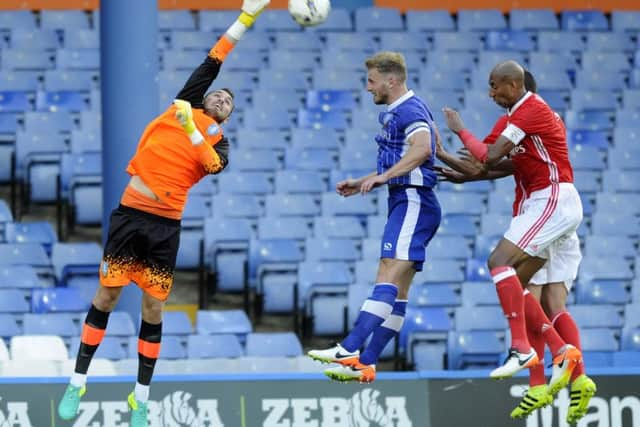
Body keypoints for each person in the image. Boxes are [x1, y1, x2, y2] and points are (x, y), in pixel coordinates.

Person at [56, 1, 270, 425]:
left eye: (229, 101)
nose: (223, 97)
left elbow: (210, 165)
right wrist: (247, 16)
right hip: (131, 214)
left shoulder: (218, 144)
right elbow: (217, 54)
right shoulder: (186, 104)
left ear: (227, 116)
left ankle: (140, 396)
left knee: (153, 310)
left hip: (164, 227)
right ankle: (78, 381)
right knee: (107, 296)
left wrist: (194, 132)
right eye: (220, 93)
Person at [437, 70, 596, 423]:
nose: (491, 94)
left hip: (549, 204)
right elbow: (487, 164)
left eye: (496, 88)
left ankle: (537, 357)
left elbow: (489, 157)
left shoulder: (531, 113)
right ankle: (571, 375)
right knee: (544, 298)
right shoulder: (521, 124)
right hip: (553, 211)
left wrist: (459, 131)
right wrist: (450, 160)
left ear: (516, 88)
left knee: (508, 271)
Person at [307, 51, 441, 383]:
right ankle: (367, 361)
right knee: (399, 289)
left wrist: (384, 178)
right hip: (409, 199)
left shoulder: (409, 109)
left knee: (387, 271)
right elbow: (420, 148)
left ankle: (351, 347)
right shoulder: (405, 109)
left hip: (413, 200)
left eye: (371, 81)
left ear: (390, 80)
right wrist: (366, 178)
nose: (368, 88)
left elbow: (424, 147)